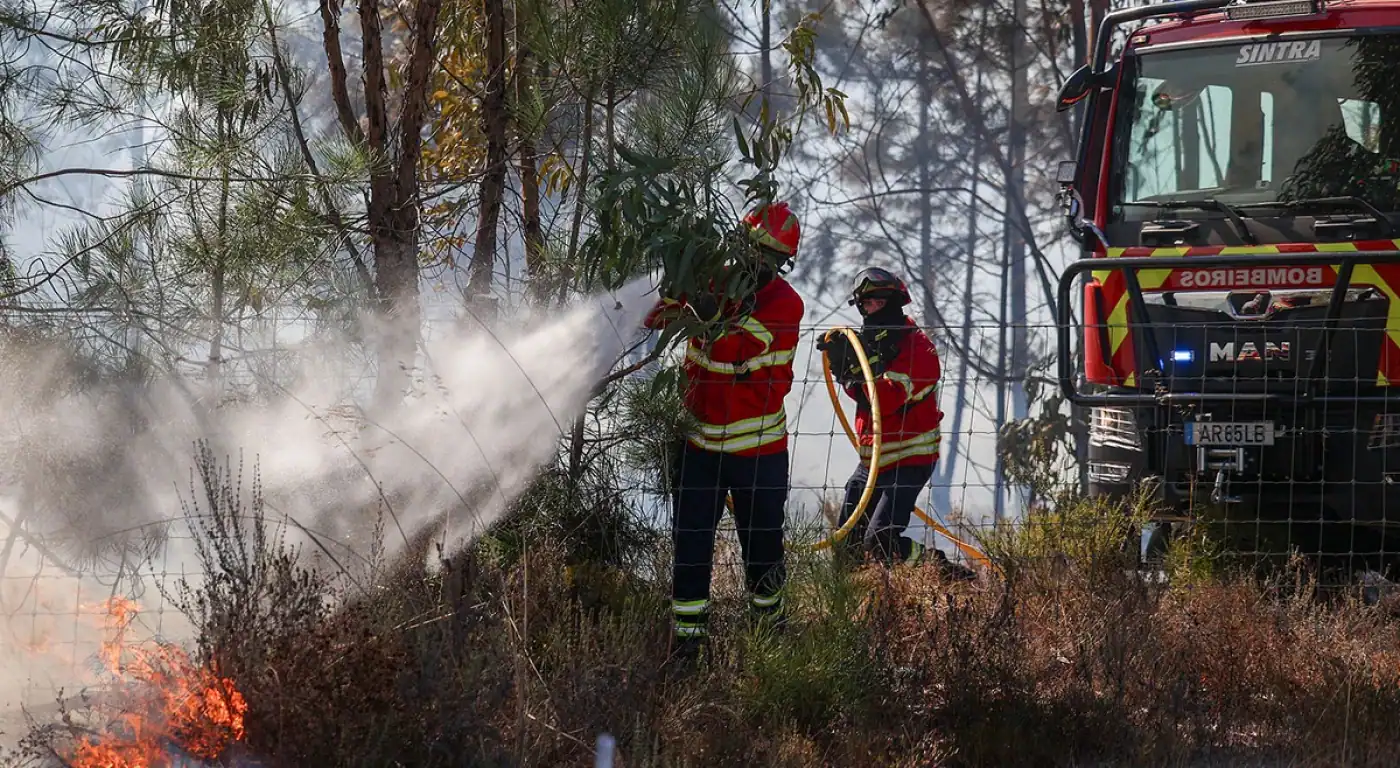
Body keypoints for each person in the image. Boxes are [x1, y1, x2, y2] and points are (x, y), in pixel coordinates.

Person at [642, 201, 806, 663]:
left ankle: (769, 637)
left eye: (768, 257)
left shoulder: (784, 304)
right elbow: (657, 316)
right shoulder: (710, 281)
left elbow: (737, 345)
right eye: (751, 250)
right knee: (691, 546)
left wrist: (708, 313)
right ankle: (688, 644)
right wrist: (674, 283)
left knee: (763, 547)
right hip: (699, 448)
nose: (756, 263)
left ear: (782, 263)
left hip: (758, 452)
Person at [816, 267, 974, 580]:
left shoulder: (919, 349)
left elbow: (884, 401)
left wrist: (857, 374)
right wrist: (847, 370)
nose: (872, 308)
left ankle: (944, 571)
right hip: (873, 461)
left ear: (894, 303)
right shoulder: (868, 345)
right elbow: (862, 395)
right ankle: (856, 598)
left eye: (878, 302)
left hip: (909, 459)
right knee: (846, 544)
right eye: (866, 303)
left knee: (880, 540)